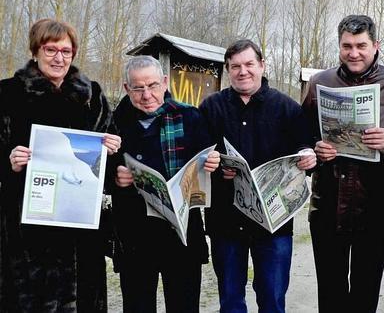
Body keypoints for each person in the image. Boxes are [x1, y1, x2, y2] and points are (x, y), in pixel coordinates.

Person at [0, 18, 121, 312]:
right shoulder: (8, 94)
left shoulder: (91, 96)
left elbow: (108, 160)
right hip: (24, 229)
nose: (59, 58)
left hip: (79, 228)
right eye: (51, 50)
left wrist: (112, 148)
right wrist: (9, 161)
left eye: (66, 51)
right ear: (35, 52)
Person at [301, 15, 384, 313]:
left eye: (361, 46)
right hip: (328, 204)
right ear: (339, 46)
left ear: (375, 45)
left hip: (375, 207)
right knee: (330, 293)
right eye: (347, 46)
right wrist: (315, 148)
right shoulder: (320, 82)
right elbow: (301, 134)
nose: (354, 53)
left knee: (365, 294)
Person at [199, 39, 317, 313]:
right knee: (229, 299)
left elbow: (305, 148)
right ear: (228, 70)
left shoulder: (287, 108)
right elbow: (198, 157)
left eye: (249, 64)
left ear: (262, 65)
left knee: (273, 299)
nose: (243, 71)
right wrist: (214, 166)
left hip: (274, 224)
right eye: (236, 66)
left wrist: (308, 156)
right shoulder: (210, 108)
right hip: (225, 220)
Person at [111, 55, 220, 313]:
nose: (146, 94)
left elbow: (209, 163)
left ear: (164, 82)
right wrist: (114, 176)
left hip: (181, 235)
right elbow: (100, 170)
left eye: (153, 86)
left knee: (184, 305)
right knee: (137, 306)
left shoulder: (190, 117)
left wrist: (214, 162)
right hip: (134, 236)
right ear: (126, 89)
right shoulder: (114, 122)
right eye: (138, 88)